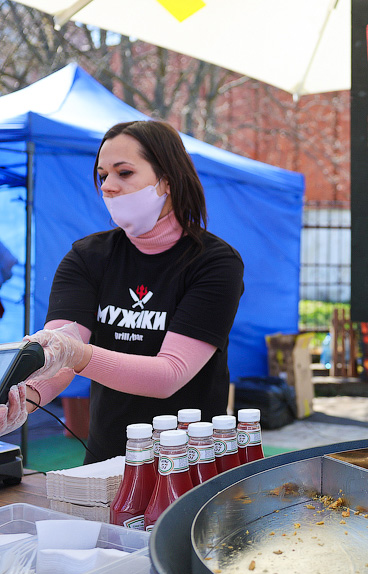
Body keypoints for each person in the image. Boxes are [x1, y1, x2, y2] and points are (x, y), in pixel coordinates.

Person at [0, 120, 244, 463]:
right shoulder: (87, 257)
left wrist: (79, 355)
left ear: (167, 181)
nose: (108, 187)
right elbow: (55, 355)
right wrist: (21, 401)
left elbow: (168, 375)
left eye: (124, 172)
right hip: (108, 455)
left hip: (189, 461)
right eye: (102, 175)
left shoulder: (215, 263)